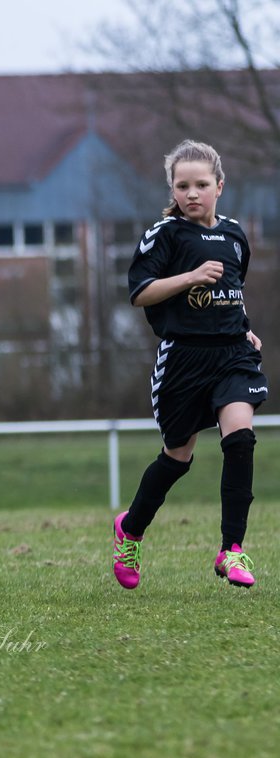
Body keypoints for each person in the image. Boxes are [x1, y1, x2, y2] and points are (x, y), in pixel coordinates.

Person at [112, 139, 265, 590]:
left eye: (201, 184)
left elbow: (231, 290)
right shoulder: (166, 234)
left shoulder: (235, 234)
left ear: (220, 185)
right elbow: (140, 292)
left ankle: (231, 550)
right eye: (183, 185)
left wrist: (245, 325)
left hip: (233, 355)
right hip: (183, 360)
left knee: (240, 439)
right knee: (178, 458)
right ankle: (131, 530)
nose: (192, 192)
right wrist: (191, 277)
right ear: (172, 190)